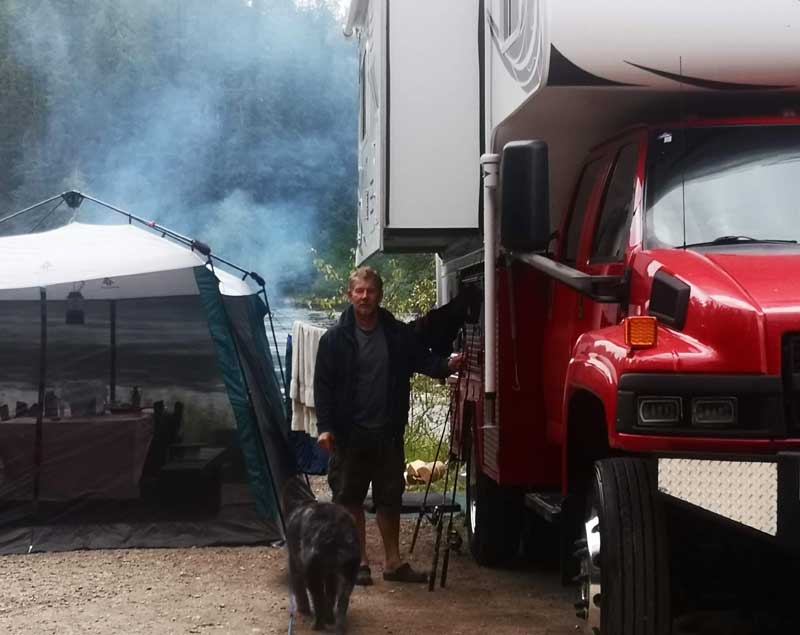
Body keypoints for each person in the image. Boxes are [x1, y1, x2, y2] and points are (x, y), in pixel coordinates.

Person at [314, 266, 463, 585]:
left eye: (370, 290)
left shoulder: (396, 333)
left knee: (389, 498)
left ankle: (393, 563)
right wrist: (325, 427)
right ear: (349, 295)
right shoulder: (334, 340)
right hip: (349, 433)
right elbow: (322, 387)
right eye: (359, 291)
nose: (365, 296)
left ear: (379, 295)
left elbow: (422, 360)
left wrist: (446, 365)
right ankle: (360, 563)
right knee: (349, 497)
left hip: (388, 432)